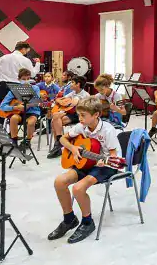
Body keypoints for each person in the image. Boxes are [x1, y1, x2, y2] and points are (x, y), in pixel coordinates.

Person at [47, 98, 122, 244]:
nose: (80, 118)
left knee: (78, 188)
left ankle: (87, 222)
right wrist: (74, 148)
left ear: (96, 115)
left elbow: (113, 157)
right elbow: (63, 139)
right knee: (59, 182)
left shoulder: (108, 130)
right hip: (86, 163)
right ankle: (69, 219)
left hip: (106, 166)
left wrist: (104, 161)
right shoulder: (81, 127)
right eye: (79, 115)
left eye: (83, 115)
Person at [0, 41, 41, 124]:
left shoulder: (3, 58)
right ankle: (13, 132)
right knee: (17, 109)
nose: (26, 53)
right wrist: (38, 63)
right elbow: (32, 74)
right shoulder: (25, 60)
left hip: (3, 85)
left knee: (1, 108)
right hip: (17, 85)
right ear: (23, 49)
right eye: (27, 51)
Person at [46, 76, 91, 158]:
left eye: (73, 82)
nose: (70, 84)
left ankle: (58, 145)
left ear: (78, 84)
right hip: (71, 113)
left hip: (80, 116)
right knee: (55, 118)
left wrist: (66, 103)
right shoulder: (73, 93)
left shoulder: (85, 95)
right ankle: (59, 143)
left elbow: (73, 103)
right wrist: (62, 101)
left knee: (54, 121)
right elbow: (58, 99)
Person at [0, 68, 43, 150]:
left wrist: (28, 105)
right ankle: (14, 140)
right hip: (19, 112)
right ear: (19, 79)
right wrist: (15, 107)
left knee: (31, 122)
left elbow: (36, 102)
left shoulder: (35, 88)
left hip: (32, 111)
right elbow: (2, 106)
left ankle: (27, 141)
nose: (26, 81)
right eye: (23, 79)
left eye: (28, 79)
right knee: (13, 118)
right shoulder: (13, 90)